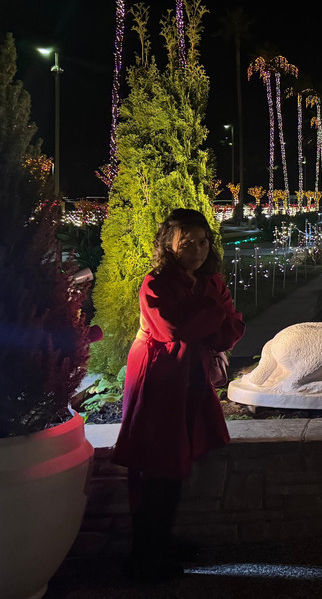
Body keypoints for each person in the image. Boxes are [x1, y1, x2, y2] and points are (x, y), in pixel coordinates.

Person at [113, 208, 245, 579]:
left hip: (191, 378)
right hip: (159, 380)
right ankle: (145, 557)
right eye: (187, 241)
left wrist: (208, 318)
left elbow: (231, 328)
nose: (198, 249)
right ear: (169, 245)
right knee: (156, 461)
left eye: (203, 241)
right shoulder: (155, 284)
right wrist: (210, 313)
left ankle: (160, 542)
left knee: (178, 458)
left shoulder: (210, 282)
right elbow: (173, 330)